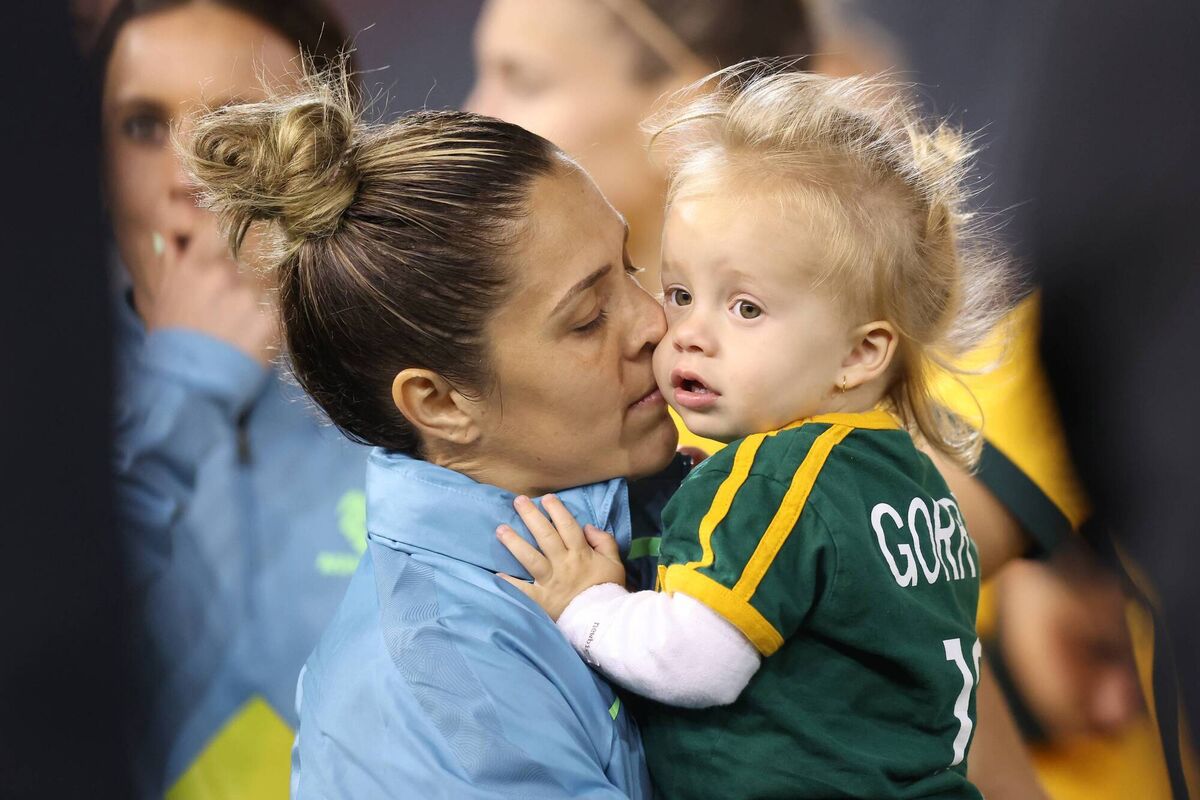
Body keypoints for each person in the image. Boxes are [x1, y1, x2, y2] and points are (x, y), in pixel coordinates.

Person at [498, 66, 1011, 799]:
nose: (689, 335)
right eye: (680, 294)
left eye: (745, 308)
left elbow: (695, 663)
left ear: (861, 352)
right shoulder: (905, 477)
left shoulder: (776, 477)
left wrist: (587, 603)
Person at [182, 67, 686, 797]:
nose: (654, 323)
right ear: (441, 403)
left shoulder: (693, 485)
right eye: (585, 319)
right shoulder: (439, 691)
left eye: (630, 267)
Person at [93, 2, 367, 796]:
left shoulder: (437, 390)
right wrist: (181, 387)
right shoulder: (36, 412)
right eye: (142, 127)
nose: (187, 177)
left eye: (242, 125)